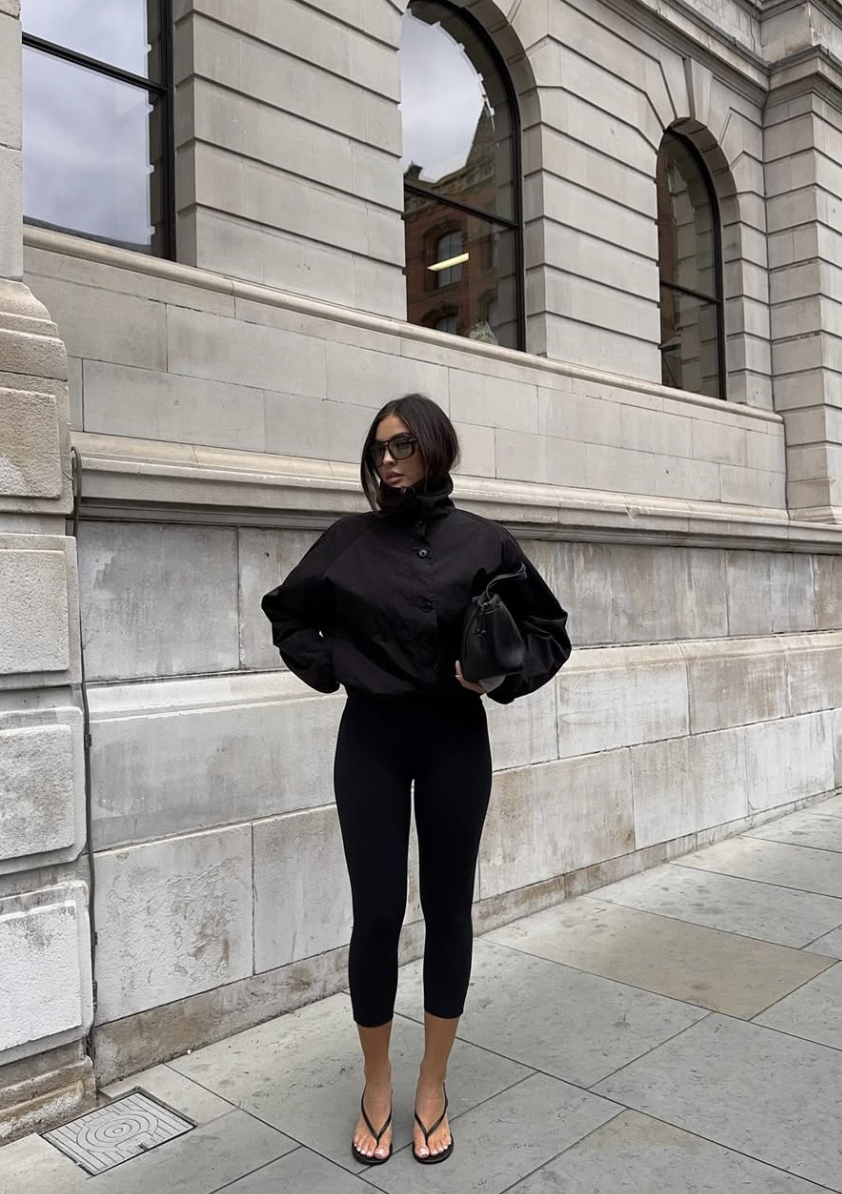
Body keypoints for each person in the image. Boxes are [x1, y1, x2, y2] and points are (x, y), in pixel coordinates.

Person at [261, 393, 570, 1166]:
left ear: (435, 445)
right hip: (370, 737)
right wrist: (334, 669)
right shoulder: (347, 541)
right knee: (374, 914)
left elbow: (549, 631)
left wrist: (496, 679)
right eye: (377, 452)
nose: (388, 462)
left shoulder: (484, 542)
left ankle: (431, 1085)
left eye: (400, 446)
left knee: (449, 909)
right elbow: (288, 614)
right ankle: (376, 1082)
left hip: (453, 740)